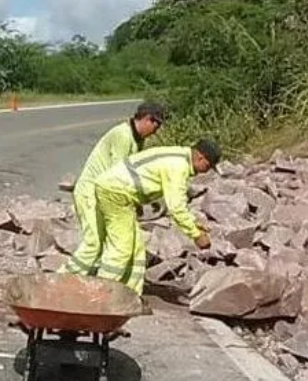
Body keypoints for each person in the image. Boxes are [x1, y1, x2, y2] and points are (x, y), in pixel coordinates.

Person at [93, 139, 221, 295]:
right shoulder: (178, 167)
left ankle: (130, 295)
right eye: (207, 166)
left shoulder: (178, 155)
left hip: (116, 189)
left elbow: (175, 203)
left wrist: (194, 223)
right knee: (122, 248)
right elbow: (176, 208)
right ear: (200, 157)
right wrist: (196, 235)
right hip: (115, 192)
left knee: (136, 249)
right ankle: (100, 295)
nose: (206, 171)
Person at [60, 102, 165, 277]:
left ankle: (86, 279)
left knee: (104, 242)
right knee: (93, 244)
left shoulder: (137, 139)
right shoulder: (123, 135)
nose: (157, 130)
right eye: (157, 125)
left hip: (103, 194)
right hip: (90, 192)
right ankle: (62, 279)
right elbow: (120, 174)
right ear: (148, 119)